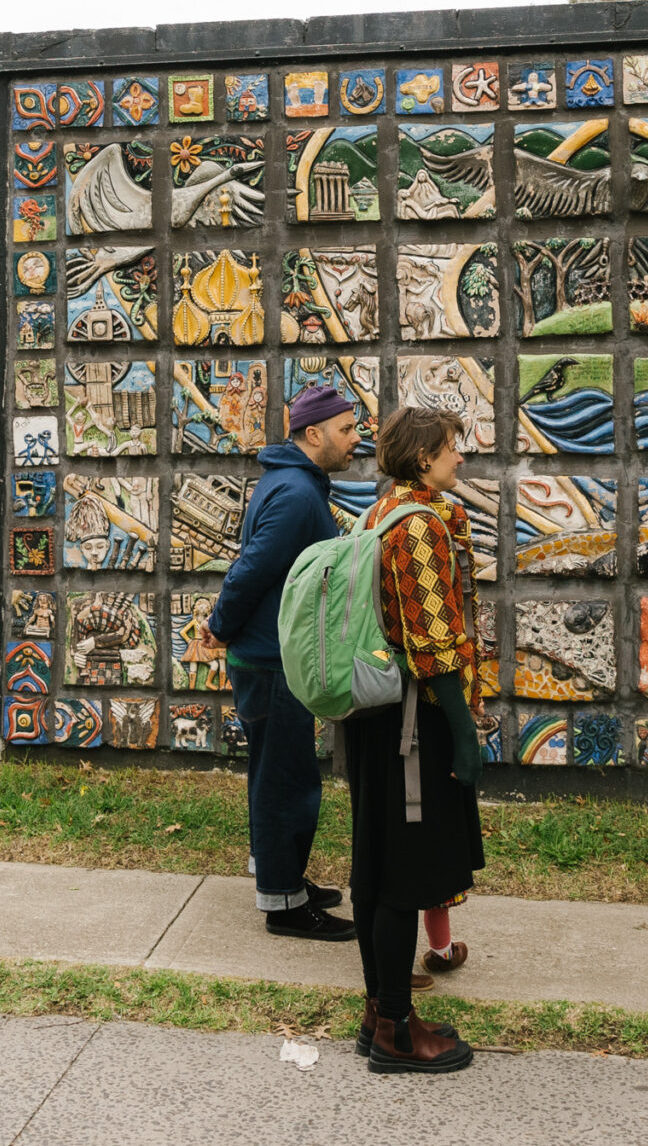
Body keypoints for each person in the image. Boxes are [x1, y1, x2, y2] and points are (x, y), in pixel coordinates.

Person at [346, 405, 486, 1073]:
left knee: (374, 869)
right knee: (407, 873)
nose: (462, 457)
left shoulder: (377, 513)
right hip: (416, 721)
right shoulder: (422, 527)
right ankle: (401, 1032)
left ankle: (379, 1012)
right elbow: (432, 644)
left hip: (375, 719)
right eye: (454, 447)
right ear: (425, 455)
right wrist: (464, 735)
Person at [202, 383, 359, 941]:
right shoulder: (295, 494)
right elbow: (253, 569)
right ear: (313, 434)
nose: (355, 438)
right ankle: (286, 906)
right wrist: (219, 625)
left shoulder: (293, 483)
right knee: (285, 781)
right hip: (272, 660)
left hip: (274, 655)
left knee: (281, 773)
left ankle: (283, 876)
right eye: (346, 430)